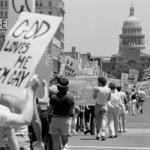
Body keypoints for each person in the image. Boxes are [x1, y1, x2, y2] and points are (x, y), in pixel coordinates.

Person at [0, 75, 44, 150]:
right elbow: (35, 120)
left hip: (5, 139)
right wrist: (39, 141)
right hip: (23, 138)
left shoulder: (2, 93)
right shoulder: (28, 93)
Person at [48, 77, 75, 150]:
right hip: (65, 120)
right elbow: (72, 111)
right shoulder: (70, 98)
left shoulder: (53, 97)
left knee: (55, 145)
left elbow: (49, 110)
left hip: (55, 119)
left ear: (58, 87)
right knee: (65, 143)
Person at [93, 76, 111, 141]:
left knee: (97, 120)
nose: (97, 83)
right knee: (104, 120)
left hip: (98, 105)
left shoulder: (97, 88)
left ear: (100, 82)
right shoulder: (108, 89)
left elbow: (94, 97)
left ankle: (98, 134)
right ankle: (103, 133)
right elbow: (109, 99)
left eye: (98, 81)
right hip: (104, 105)